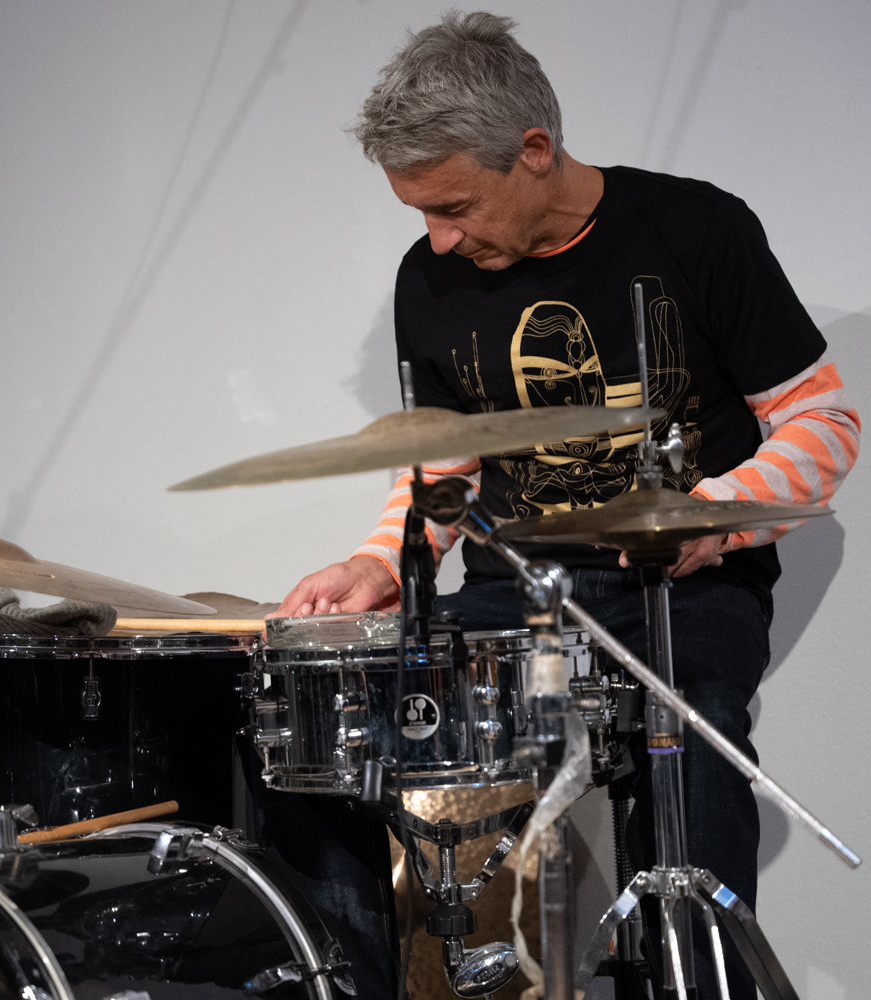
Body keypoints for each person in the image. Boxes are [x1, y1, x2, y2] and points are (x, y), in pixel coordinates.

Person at [269, 11, 860, 1000]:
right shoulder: (432, 279)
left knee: (688, 740)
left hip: (680, 586)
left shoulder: (697, 229)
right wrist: (379, 559)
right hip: (513, 590)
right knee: (328, 739)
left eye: (454, 206)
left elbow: (821, 421)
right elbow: (446, 464)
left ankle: (698, 980)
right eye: (421, 213)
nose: (439, 238)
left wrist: (712, 512)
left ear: (534, 150)